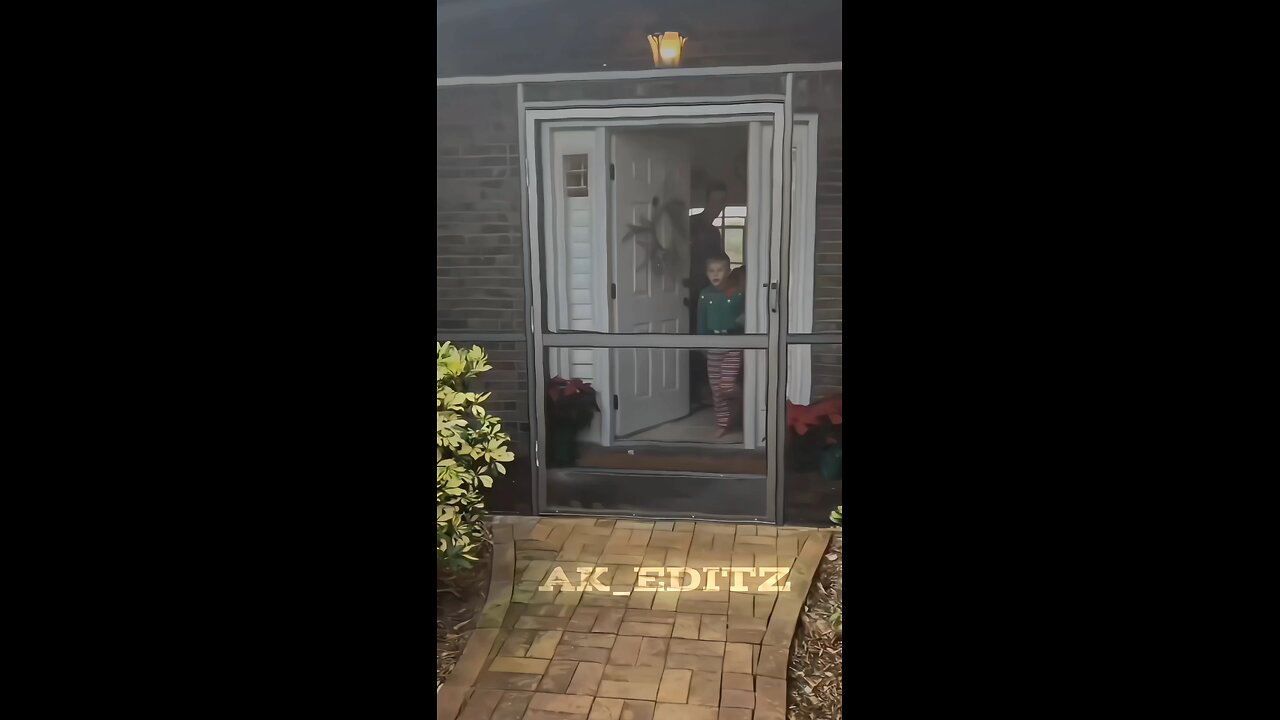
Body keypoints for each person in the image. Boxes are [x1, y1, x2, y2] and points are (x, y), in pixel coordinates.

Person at [697, 252, 746, 436]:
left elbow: (746, 315)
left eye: (720, 270)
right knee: (717, 390)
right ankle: (723, 423)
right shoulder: (704, 295)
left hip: (733, 344)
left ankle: (738, 395)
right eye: (711, 271)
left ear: (728, 271)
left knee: (726, 385)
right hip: (713, 344)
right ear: (707, 273)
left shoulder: (738, 293)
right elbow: (701, 322)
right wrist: (702, 344)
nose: (716, 274)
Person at [688, 182, 727, 407]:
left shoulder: (714, 231)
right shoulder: (691, 224)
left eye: (722, 201)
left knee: (707, 339)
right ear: (706, 201)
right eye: (715, 200)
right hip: (689, 291)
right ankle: (691, 392)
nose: (718, 205)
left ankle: (704, 389)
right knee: (693, 338)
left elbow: (719, 260)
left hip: (709, 292)